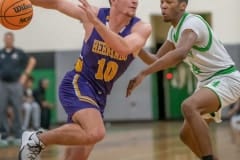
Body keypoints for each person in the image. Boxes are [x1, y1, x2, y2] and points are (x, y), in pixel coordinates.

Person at [19, 0, 152, 160]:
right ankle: (35, 140)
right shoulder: (94, 14)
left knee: (77, 157)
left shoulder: (141, 28)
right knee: (96, 132)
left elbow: (123, 47)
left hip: (99, 95)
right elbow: (57, 3)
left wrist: (97, 23)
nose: (135, 1)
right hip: (78, 83)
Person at [126, 0, 240, 160]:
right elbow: (156, 58)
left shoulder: (192, 24)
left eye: (169, 2)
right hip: (207, 83)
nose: (163, 6)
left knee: (189, 106)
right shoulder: (174, 32)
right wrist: (134, 47)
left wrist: (143, 73)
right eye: (162, 2)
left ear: (183, 5)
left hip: (226, 78)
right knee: (186, 135)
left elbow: (180, 54)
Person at [0, 32, 36, 147]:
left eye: (10, 38)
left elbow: (32, 61)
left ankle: (17, 135)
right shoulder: (1, 53)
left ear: (13, 40)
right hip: (2, 84)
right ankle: (4, 135)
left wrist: (25, 75)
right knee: (1, 109)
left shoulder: (19, 53)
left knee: (17, 108)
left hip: (16, 84)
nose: (8, 40)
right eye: (6, 38)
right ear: (4, 40)